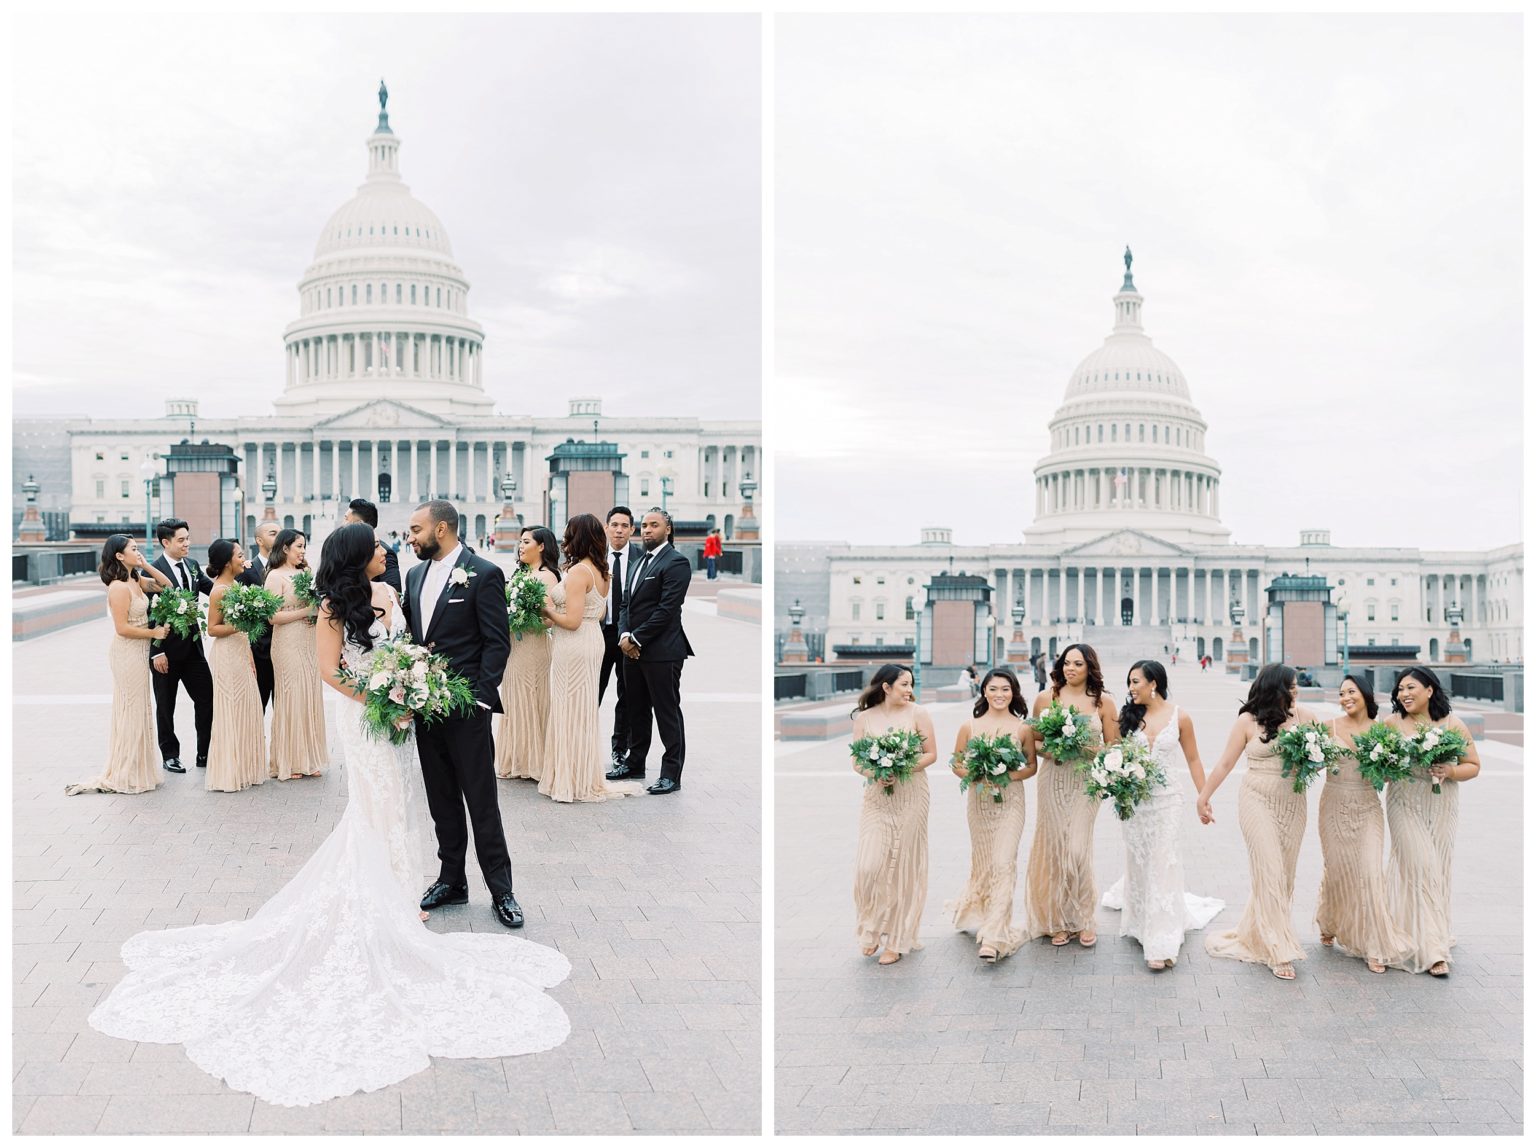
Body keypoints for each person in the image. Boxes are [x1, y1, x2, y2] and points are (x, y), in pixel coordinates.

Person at [85, 522, 571, 1107]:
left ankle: (436, 885)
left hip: (406, 709)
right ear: (354, 558)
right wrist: (384, 700)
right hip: (367, 716)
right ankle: (393, 892)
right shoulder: (333, 605)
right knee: (376, 803)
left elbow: (414, 647)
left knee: (407, 800)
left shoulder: (393, 591)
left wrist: (411, 688)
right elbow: (329, 670)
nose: (387, 551)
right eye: (374, 549)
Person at [403, 500, 522, 928]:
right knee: (441, 799)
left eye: (416, 529)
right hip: (426, 710)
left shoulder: (484, 573)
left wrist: (483, 699)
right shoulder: (414, 575)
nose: (409, 537)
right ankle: (452, 879)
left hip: (468, 709)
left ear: (442, 529)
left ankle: (501, 889)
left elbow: (497, 642)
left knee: (481, 799)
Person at [1100, 661, 1224, 969]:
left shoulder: (1180, 716)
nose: (1131, 688)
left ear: (1153, 683)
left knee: (1163, 861)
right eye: (1129, 682)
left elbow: (1194, 760)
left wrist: (1203, 797)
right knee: (1139, 859)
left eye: (1136, 681)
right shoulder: (1128, 717)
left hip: (1168, 800)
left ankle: (1162, 939)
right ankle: (1141, 920)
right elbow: (1112, 754)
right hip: (1136, 802)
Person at [1197, 663, 1315, 980]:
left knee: (1285, 875)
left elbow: (1326, 753)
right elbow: (1225, 762)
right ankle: (1277, 949)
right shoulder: (1247, 721)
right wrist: (1204, 796)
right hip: (1256, 799)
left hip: (1293, 802)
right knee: (1269, 870)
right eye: (1290, 687)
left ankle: (1260, 931)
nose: (1295, 691)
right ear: (1274, 688)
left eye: (1296, 687)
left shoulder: (1305, 717)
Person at [537, 515, 645, 802]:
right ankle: (578, 772)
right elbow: (596, 614)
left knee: (568, 708)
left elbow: (571, 621)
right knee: (581, 709)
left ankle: (570, 778)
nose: (564, 540)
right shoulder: (602, 570)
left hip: (572, 643)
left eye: (569, 534)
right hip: (591, 639)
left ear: (579, 537)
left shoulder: (578, 572)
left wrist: (545, 610)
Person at [1384, 666, 1481, 976]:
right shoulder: (1390, 724)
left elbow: (1473, 765)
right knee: (1420, 867)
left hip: (1441, 806)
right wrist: (1384, 765)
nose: (1404, 694)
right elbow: (1382, 770)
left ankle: (1428, 932)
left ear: (1430, 690)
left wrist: (1450, 771)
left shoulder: (1453, 724)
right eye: (1400, 689)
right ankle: (1433, 952)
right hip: (1403, 803)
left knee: (1436, 870)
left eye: (1411, 687)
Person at [1315, 674, 1412, 974]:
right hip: (1333, 806)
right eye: (1342, 693)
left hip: (1368, 806)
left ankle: (1375, 944)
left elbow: (1386, 776)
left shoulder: (1381, 731)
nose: (1345, 698)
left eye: (1351, 691)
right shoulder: (1327, 727)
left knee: (1370, 872)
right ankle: (1330, 919)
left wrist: (1389, 764)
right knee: (1338, 869)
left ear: (1365, 694)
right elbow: (1313, 762)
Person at [1024, 643, 1117, 947]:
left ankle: (1083, 917)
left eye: (1078, 664)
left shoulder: (1103, 703)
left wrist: (1087, 749)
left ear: (1090, 667)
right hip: (1053, 778)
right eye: (1066, 663)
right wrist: (1054, 750)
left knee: (1076, 848)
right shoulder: (1045, 698)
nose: (1070, 668)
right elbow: (1034, 742)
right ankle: (1057, 919)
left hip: (1086, 781)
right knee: (1056, 848)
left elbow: (1114, 749)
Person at [66, 535, 172, 795]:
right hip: (126, 652)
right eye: (133, 549)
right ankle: (126, 771)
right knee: (132, 708)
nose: (138, 551)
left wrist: (145, 565)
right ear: (119, 556)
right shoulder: (118, 588)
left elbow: (167, 585)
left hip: (139, 651)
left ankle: (138, 768)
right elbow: (122, 628)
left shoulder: (134, 580)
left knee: (141, 708)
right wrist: (154, 634)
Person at [946, 667, 1037, 962]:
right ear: (984, 691)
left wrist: (1009, 774)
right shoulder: (969, 727)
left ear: (1014, 693)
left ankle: (995, 936)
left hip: (1011, 801)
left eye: (1006, 689)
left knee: (1004, 862)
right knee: (985, 862)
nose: (1000, 695)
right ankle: (984, 914)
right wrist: (975, 774)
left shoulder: (1022, 728)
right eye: (994, 689)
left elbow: (1031, 767)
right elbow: (956, 763)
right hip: (979, 802)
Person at [852, 664, 937, 965]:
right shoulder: (864, 718)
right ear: (886, 687)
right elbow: (856, 760)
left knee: (901, 867)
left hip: (912, 795)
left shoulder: (918, 714)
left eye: (911, 684)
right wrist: (876, 772)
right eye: (903, 684)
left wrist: (900, 769)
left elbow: (930, 754)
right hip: (876, 797)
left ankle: (896, 939)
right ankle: (872, 926)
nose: (909, 690)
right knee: (869, 866)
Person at [619, 508, 695, 795]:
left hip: (662, 651)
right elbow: (626, 603)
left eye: (654, 525)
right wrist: (625, 635)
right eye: (644, 525)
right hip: (632, 650)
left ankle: (671, 774)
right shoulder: (639, 562)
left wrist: (636, 638)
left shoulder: (676, 562)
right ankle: (635, 762)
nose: (647, 530)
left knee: (667, 713)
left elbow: (667, 609)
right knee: (636, 710)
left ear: (668, 529)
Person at [147, 519, 214, 773]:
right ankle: (170, 755)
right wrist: (157, 651)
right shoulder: (152, 571)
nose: (187, 543)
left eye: (188, 538)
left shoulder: (194, 566)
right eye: (181, 540)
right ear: (166, 542)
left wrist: (241, 570)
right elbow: (149, 615)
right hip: (165, 651)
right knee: (166, 706)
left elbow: (214, 588)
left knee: (207, 699)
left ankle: (205, 752)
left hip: (193, 650)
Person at [496, 526, 560, 782]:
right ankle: (517, 758)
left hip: (533, 646)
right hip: (515, 646)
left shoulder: (547, 576)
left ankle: (534, 761)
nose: (520, 547)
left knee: (530, 698)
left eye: (526, 542)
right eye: (520, 543)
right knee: (513, 698)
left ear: (541, 546)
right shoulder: (522, 573)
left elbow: (549, 620)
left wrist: (522, 617)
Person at [203, 539, 267, 793]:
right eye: (240, 555)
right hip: (227, 655)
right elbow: (213, 628)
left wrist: (249, 651)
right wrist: (243, 626)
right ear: (228, 562)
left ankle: (244, 768)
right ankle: (228, 771)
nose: (244, 559)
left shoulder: (236, 585)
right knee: (231, 708)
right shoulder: (219, 590)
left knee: (246, 706)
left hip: (241, 651)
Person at [264, 529, 327, 780]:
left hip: (309, 641)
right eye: (298, 546)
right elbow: (272, 617)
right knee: (292, 696)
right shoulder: (275, 577)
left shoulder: (307, 574)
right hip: (287, 642)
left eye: (304, 546)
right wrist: (305, 612)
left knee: (309, 695)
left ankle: (308, 758)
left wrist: (316, 612)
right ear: (285, 548)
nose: (302, 550)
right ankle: (288, 761)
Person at [599, 506, 645, 778]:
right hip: (600, 634)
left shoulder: (641, 559)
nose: (618, 530)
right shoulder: (594, 558)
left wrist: (633, 635)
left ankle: (620, 751)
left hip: (629, 636)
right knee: (592, 692)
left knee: (627, 695)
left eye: (624, 525)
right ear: (606, 528)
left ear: (631, 530)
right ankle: (584, 748)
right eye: (614, 524)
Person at [239, 520, 279, 711]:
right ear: (259, 540)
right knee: (257, 707)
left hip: (283, 648)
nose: (279, 537)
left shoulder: (287, 570)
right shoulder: (246, 570)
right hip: (258, 650)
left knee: (283, 707)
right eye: (273, 533)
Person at [346, 497, 401, 594]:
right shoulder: (343, 549)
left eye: (346, 519)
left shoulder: (385, 553)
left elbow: (393, 593)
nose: (343, 524)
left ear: (359, 524)